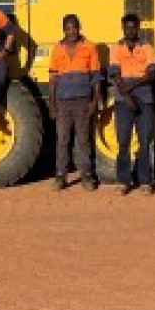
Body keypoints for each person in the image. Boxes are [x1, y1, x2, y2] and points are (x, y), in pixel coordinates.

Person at [49, 14, 103, 191]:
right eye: (68, 28)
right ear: (63, 29)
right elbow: (53, 78)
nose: (72, 31)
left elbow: (96, 77)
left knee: (83, 140)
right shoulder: (57, 48)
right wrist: (52, 103)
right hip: (63, 101)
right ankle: (60, 177)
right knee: (63, 140)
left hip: (83, 101)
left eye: (75, 27)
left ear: (79, 28)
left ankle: (87, 176)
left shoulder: (89, 47)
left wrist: (94, 102)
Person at [109, 13, 155, 195]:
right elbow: (115, 74)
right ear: (123, 28)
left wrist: (132, 86)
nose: (130, 30)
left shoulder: (146, 47)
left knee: (144, 141)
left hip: (144, 98)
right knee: (123, 141)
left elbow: (152, 73)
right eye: (127, 27)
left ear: (138, 28)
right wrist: (127, 95)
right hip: (123, 101)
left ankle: (145, 181)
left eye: (133, 27)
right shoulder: (116, 48)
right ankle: (123, 181)